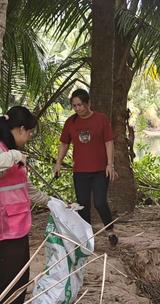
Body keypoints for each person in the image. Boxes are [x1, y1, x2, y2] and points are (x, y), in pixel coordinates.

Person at [0, 106, 50, 304]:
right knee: (9, 277)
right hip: (3, 226)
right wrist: (15, 156)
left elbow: (26, 187)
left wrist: (51, 201)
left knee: (21, 276)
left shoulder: (12, 151)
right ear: (20, 129)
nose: (29, 138)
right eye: (30, 133)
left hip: (18, 225)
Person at [53, 89, 118, 246]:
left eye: (80, 105)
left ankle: (110, 232)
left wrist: (110, 164)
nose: (77, 109)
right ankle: (87, 238)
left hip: (100, 171)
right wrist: (58, 163)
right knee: (83, 205)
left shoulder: (101, 119)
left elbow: (108, 142)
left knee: (100, 202)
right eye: (74, 106)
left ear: (88, 103)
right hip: (80, 171)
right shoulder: (71, 122)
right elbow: (64, 144)